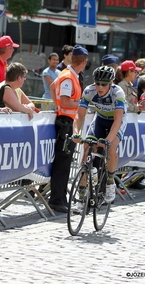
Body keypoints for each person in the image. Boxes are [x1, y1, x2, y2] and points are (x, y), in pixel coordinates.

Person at [72, 66, 127, 204]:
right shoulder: (89, 91)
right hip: (100, 120)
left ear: (111, 83)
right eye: (97, 83)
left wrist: (108, 140)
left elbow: (118, 120)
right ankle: (81, 197)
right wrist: (76, 133)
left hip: (116, 121)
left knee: (111, 147)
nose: (100, 87)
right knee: (86, 152)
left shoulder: (118, 93)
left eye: (104, 84)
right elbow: (79, 115)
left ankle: (110, 180)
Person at [48, 44, 88, 213]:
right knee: (63, 162)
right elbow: (65, 101)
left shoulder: (68, 74)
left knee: (64, 162)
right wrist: (82, 104)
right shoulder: (69, 77)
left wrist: (58, 105)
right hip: (66, 122)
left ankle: (61, 198)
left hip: (67, 121)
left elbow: (52, 88)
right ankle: (57, 200)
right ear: (84, 62)